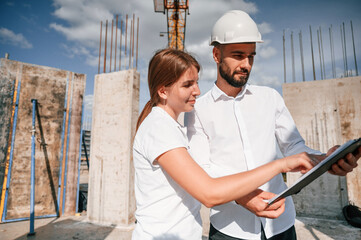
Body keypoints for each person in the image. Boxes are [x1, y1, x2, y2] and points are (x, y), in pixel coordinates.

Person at [185, 10, 361, 240]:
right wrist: (242, 196)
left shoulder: (270, 98)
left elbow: (294, 146)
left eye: (251, 56)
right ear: (216, 55)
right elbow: (204, 169)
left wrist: (324, 160)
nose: (246, 64)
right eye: (238, 55)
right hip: (231, 229)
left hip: (281, 225)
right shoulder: (198, 110)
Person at [132, 48, 318, 240]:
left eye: (196, 82)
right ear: (163, 91)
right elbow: (209, 193)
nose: (197, 90)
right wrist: (281, 164)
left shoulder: (169, 127)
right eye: (188, 85)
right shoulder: (159, 129)